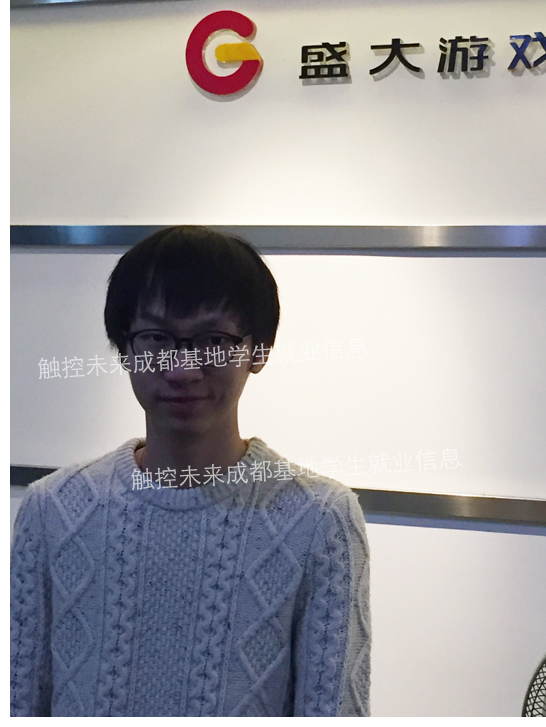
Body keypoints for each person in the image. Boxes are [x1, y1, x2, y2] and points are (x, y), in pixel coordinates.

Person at [10, 225, 372, 717]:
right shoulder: (52, 510)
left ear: (259, 350)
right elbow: (20, 701)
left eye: (213, 340)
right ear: (125, 347)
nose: (182, 368)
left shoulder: (319, 519)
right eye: (156, 337)